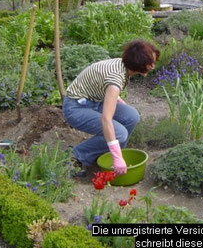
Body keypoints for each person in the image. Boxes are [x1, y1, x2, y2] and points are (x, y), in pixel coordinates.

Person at [62, 40, 160, 177]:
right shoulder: (115, 78)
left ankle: (106, 154)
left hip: (94, 100)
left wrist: (116, 98)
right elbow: (106, 119)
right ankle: (74, 156)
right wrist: (118, 157)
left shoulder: (122, 65)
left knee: (131, 116)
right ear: (138, 63)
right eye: (150, 63)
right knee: (119, 133)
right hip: (76, 107)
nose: (153, 66)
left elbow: (101, 83)